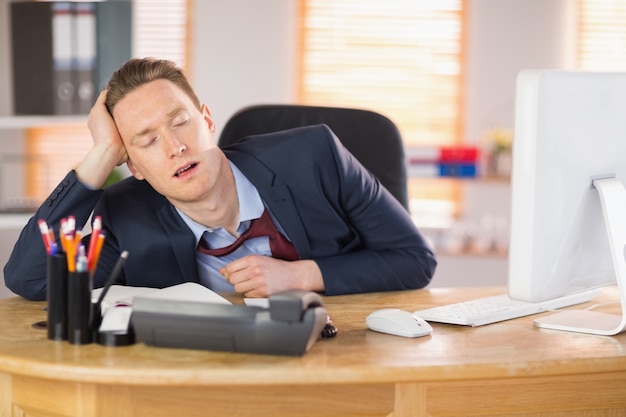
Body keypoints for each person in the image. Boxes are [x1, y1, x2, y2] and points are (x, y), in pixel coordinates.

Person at [4, 58, 436, 301]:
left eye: (181, 122)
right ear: (133, 165)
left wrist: (302, 275)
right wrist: (100, 156)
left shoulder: (315, 155)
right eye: (147, 141)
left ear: (207, 120)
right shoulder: (125, 213)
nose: (175, 147)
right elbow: (31, 280)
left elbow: (415, 259)